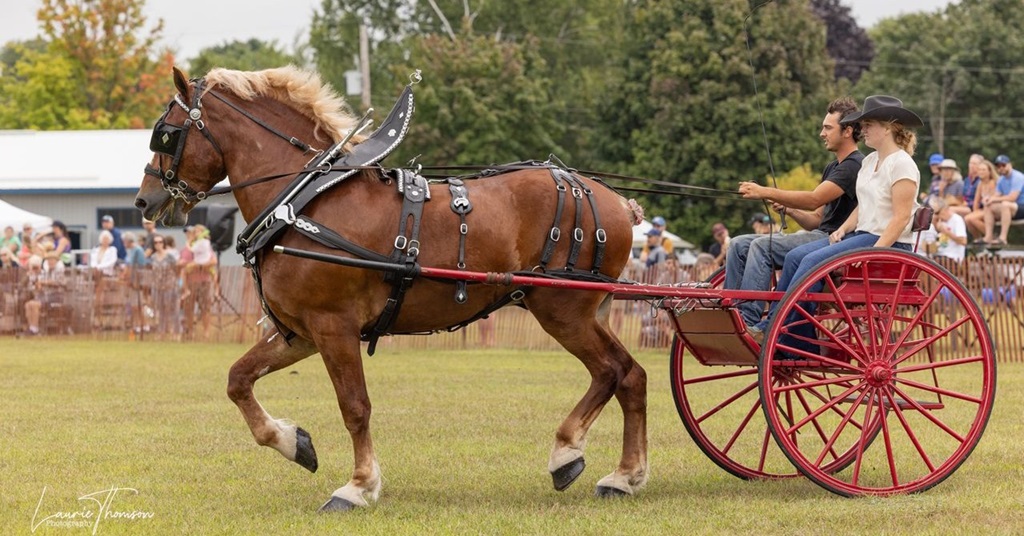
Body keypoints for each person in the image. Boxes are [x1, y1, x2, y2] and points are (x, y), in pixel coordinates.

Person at [750, 95, 923, 346]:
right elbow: (864, 206)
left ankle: (775, 328)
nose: (862, 130)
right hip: (862, 235)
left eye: (868, 124)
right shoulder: (871, 161)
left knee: (812, 262)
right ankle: (795, 335)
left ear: (887, 127)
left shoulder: (902, 165)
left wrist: (873, 253)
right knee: (794, 256)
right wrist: (843, 228)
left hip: (887, 244)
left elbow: (900, 217)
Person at [729, 97, 863, 328]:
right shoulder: (833, 167)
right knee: (738, 244)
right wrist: (790, 210)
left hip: (835, 241)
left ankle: (747, 322)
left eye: (828, 128)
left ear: (847, 131)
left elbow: (813, 200)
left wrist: (764, 191)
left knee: (762, 246)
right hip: (819, 235)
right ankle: (730, 310)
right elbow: (816, 219)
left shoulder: (853, 166)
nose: (822, 133)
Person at [977, 154, 1024, 247]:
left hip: (1021, 205)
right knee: (988, 205)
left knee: (1005, 204)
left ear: (1010, 165)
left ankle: (1003, 238)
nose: (1001, 168)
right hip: (1011, 208)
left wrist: (995, 199)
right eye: (998, 166)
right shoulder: (1001, 180)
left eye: (1003, 165)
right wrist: (988, 199)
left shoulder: (1018, 177)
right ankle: (988, 236)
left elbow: (1012, 198)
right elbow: (997, 194)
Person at [964, 159, 999, 238]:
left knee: (972, 219)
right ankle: (978, 238)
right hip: (984, 209)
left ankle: (991, 236)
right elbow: (976, 201)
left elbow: (992, 200)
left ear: (989, 171)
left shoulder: (993, 182)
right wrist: (975, 212)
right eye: (979, 170)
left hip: (992, 209)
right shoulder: (980, 183)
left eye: (984, 170)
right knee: (968, 219)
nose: (981, 172)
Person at [929, 198, 968, 262]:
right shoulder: (941, 222)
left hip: (952, 257)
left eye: (937, 213)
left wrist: (946, 232)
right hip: (940, 255)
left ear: (945, 209)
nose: (936, 216)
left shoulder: (957, 220)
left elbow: (963, 241)